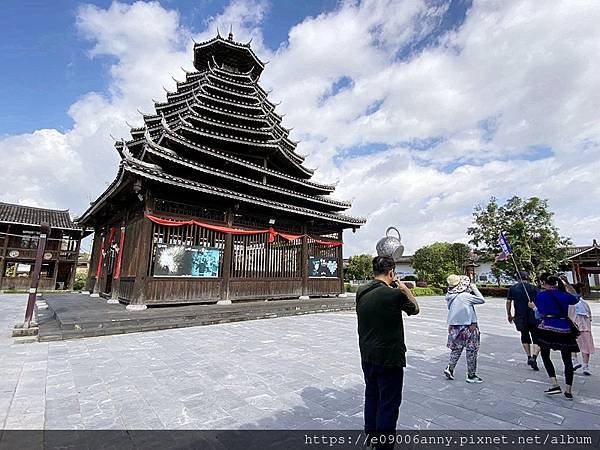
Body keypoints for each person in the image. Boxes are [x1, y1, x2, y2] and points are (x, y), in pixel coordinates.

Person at [356, 256, 420, 447]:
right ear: (391, 272)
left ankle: (371, 437)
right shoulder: (394, 295)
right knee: (389, 404)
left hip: (367, 355)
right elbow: (415, 309)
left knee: (372, 395)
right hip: (389, 357)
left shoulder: (361, 291)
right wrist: (404, 287)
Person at [532, 273, 580, 399]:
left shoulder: (541, 295)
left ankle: (554, 383)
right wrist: (567, 283)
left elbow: (539, 313)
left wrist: (533, 308)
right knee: (567, 359)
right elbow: (576, 297)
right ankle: (568, 389)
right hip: (564, 328)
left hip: (547, 327)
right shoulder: (564, 295)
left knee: (545, 355)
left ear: (545, 283)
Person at [444, 275, 485, 383]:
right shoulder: (465, 296)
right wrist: (474, 287)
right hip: (469, 327)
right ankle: (471, 375)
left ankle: (450, 368)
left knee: (456, 349)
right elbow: (481, 300)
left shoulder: (449, 295)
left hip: (455, 327)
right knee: (471, 350)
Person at [506, 271, 540, 370]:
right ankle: (534, 356)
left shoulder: (513, 288)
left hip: (520, 316)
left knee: (524, 336)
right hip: (534, 316)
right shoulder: (534, 288)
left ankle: (528, 356)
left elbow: (509, 302)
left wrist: (509, 314)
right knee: (536, 337)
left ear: (517, 278)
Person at [571, 283, 595, 376]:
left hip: (574, 328)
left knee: (572, 346)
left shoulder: (570, 304)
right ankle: (586, 366)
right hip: (586, 328)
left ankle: (575, 361)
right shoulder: (584, 304)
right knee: (585, 348)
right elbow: (590, 317)